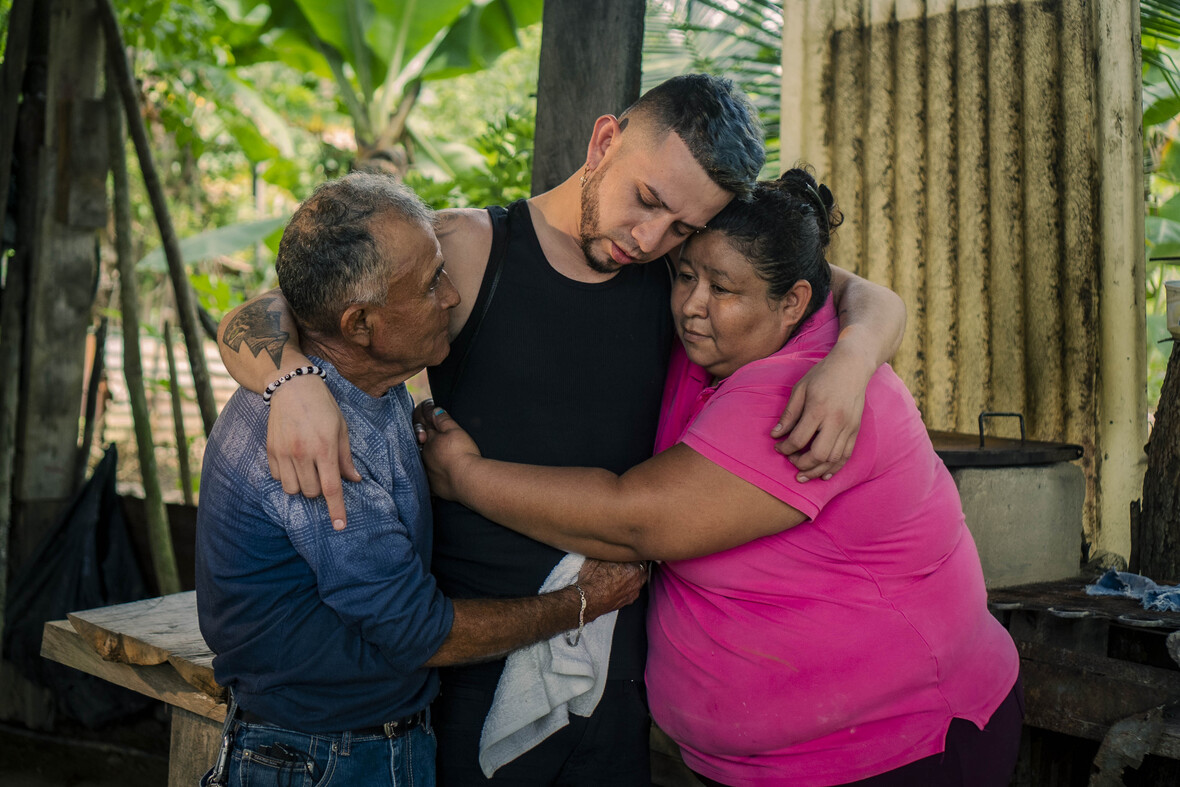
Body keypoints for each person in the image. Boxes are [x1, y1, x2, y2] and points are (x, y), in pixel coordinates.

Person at [217, 74, 906, 785]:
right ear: (604, 141)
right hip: (467, 656)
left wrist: (852, 360)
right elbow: (277, 306)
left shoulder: (680, 270)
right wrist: (290, 381)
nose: (649, 237)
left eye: (682, 227)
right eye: (647, 200)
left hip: (615, 648)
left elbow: (859, 293)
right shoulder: (470, 248)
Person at [417, 170, 1023, 787]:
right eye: (685, 276)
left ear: (791, 302)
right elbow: (864, 292)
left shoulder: (803, 396)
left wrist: (464, 476)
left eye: (721, 289)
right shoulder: (729, 333)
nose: (690, 304)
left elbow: (636, 523)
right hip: (768, 760)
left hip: (895, 750)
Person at [196, 173, 646, 787]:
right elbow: (417, 632)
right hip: (325, 759)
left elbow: (269, 306)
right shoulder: (319, 453)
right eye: (432, 282)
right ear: (359, 324)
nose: (453, 296)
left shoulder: (350, 377)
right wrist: (582, 603)